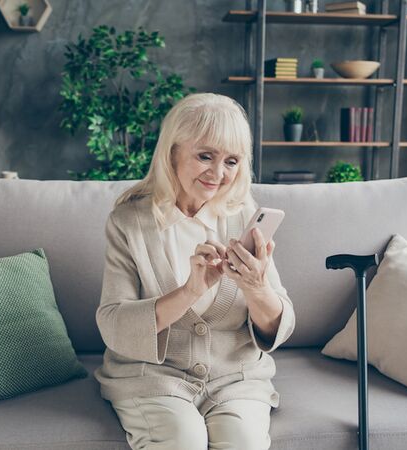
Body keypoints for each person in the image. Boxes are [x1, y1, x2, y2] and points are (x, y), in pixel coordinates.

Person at [95, 92, 296, 450]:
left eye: (231, 161)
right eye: (205, 156)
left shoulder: (243, 217)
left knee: (245, 443)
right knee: (181, 441)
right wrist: (189, 291)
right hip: (153, 378)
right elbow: (113, 324)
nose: (218, 174)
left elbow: (280, 325)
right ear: (172, 152)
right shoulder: (129, 222)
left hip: (236, 380)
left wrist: (256, 287)